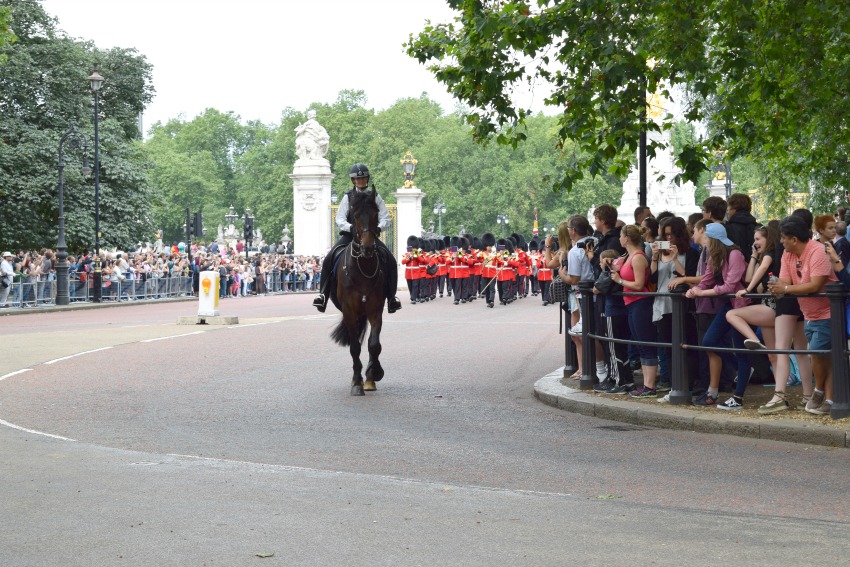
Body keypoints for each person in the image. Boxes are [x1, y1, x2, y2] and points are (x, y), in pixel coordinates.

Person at [769, 215, 838, 415]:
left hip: (828, 312)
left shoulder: (817, 251)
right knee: (823, 356)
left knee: (818, 352)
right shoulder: (787, 254)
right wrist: (783, 287)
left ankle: (820, 391)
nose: (781, 241)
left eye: (783, 238)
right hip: (809, 313)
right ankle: (829, 399)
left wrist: (787, 288)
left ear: (794, 239)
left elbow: (815, 285)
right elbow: (783, 281)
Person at [313, 163, 402, 314]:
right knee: (329, 258)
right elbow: (340, 219)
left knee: (391, 260)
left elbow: (385, 217)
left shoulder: (375, 196)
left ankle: (392, 298)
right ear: (353, 181)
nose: (360, 181)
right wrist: (351, 228)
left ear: (367, 179)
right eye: (357, 179)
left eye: (363, 178)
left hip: (370, 236)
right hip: (350, 236)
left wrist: (378, 228)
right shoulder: (347, 197)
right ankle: (323, 295)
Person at [686, 223, 751, 409]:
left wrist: (700, 293)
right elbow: (707, 279)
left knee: (740, 349)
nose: (704, 242)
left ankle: (738, 398)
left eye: (706, 239)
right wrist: (696, 290)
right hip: (729, 304)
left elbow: (730, 286)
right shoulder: (715, 255)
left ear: (712, 240)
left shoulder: (734, 254)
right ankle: (741, 369)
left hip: (741, 305)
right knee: (709, 341)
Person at [608, 225, 658, 398]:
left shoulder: (637, 257)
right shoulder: (630, 256)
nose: (619, 239)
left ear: (627, 238)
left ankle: (650, 386)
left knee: (645, 343)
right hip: (631, 303)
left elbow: (639, 284)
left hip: (640, 303)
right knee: (639, 343)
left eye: (621, 236)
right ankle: (646, 384)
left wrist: (620, 280)